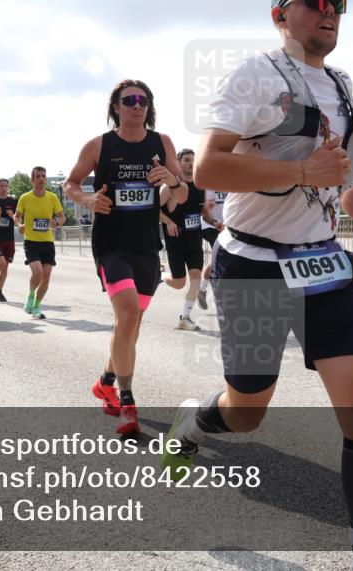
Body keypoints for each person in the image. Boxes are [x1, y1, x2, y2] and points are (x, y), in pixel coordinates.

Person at [161, 0, 353, 571]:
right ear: (280, 14)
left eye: (338, 0)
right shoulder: (255, 74)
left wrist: (352, 197)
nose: (330, 9)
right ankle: (196, 420)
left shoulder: (341, 87)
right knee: (248, 410)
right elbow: (208, 168)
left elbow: (334, 172)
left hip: (322, 266)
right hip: (253, 264)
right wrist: (300, 172)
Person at [64, 79, 187, 437]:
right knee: (129, 313)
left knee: (131, 324)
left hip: (147, 246)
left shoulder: (161, 143)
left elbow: (180, 192)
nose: (137, 105)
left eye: (143, 100)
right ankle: (127, 402)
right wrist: (86, 200)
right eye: (129, 100)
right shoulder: (99, 145)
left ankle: (105, 381)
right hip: (111, 245)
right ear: (115, 106)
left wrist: (171, 180)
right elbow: (70, 183)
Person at [158, 148, 211, 330]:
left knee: (196, 278)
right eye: (186, 160)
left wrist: (213, 220)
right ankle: (162, 275)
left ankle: (185, 317)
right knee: (179, 283)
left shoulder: (200, 185)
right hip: (176, 242)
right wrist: (169, 221)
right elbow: (152, 210)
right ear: (178, 162)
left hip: (194, 241)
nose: (190, 163)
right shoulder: (170, 187)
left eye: (192, 160)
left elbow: (202, 211)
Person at [14, 167, 65, 320]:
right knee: (38, 273)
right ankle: (30, 296)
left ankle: (36, 306)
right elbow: (17, 217)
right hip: (31, 241)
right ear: (32, 180)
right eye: (38, 176)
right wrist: (19, 226)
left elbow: (62, 217)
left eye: (43, 176)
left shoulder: (52, 197)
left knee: (46, 277)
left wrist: (57, 222)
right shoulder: (25, 197)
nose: (41, 179)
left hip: (48, 242)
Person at [197, 188, 226, 310]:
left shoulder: (232, 179)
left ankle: (202, 290)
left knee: (219, 258)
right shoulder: (208, 181)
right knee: (219, 254)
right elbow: (202, 207)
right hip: (209, 225)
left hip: (226, 225)